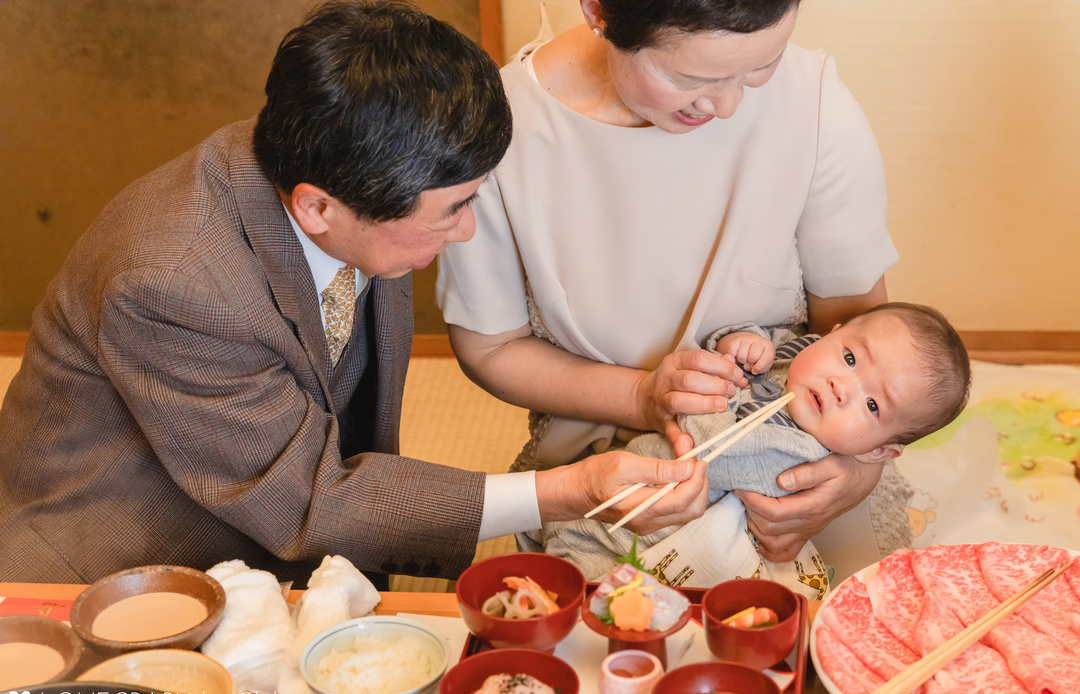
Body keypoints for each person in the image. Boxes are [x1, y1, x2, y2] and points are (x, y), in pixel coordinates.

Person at [0, 1, 711, 586]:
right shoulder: (174, 286)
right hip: (117, 569)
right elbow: (310, 499)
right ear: (318, 209)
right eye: (450, 210)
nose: (465, 231)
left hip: (282, 525)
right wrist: (572, 488)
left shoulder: (347, 164)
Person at [437, 0, 899, 564]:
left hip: (791, 457)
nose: (728, 105)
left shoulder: (817, 103)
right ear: (597, 10)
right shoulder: (499, 129)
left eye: (761, 66)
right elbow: (492, 348)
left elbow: (858, 329)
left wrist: (852, 471)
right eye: (691, 78)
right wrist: (641, 396)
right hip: (599, 474)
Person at [538, 303, 972, 599]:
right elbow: (758, 339)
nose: (843, 387)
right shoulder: (794, 354)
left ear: (878, 453)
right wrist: (741, 342)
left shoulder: (797, 454)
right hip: (626, 475)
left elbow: (715, 450)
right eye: (851, 359)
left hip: (662, 537)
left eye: (873, 405)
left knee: (598, 589)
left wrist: (714, 397)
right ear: (830, 335)